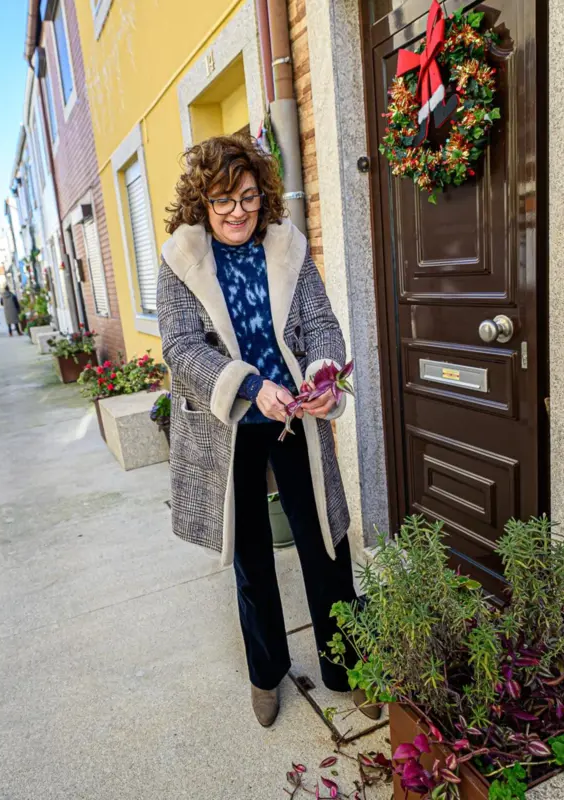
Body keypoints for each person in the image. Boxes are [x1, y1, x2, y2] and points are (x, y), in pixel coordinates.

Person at [157, 134, 374, 727]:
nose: (238, 212)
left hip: (296, 419)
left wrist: (324, 373)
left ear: (262, 194)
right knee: (252, 555)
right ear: (202, 201)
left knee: (326, 544)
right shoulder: (180, 259)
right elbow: (179, 345)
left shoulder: (287, 247)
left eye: (248, 197)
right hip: (231, 427)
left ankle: (347, 665)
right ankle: (265, 671)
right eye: (224, 201)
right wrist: (252, 387)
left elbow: (323, 324)